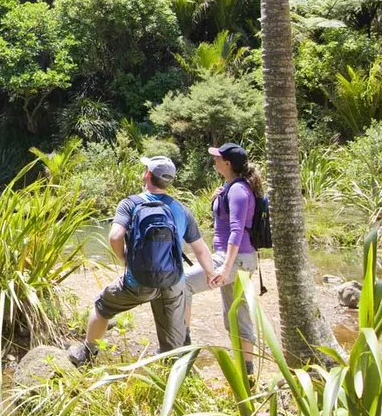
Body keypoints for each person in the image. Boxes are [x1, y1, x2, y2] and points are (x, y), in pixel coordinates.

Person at [69, 156, 221, 365]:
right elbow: (201, 249)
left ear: (147, 175)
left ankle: (87, 353)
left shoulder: (130, 203)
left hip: (138, 281)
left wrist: (125, 258)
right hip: (172, 281)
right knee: (171, 345)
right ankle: (174, 369)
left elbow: (115, 236)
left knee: (102, 305)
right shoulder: (181, 209)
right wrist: (211, 273)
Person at [183, 142, 262, 372]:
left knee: (183, 283)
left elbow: (236, 231)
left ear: (227, 163)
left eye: (218, 158)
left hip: (235, 259)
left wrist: (225, 268)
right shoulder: (232, 187)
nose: (214, 160)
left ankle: (182, 344)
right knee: (237, 314)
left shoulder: (238, 191)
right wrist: (218, 198)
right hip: (240, 258)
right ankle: (247, 371)